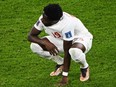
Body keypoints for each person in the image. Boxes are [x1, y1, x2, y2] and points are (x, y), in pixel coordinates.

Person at [28, 3, 93, 85]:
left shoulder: (67, 24)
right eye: (43, 15)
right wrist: (45, 42)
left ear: (54, 21)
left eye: (45, 19)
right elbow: (31, 36)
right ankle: (60, 63)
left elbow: (67, 52)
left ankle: (84, 67)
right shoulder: (45, 18)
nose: (42, 20)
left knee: (74, 52)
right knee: (35, 46)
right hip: (61, 39)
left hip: (81, 39)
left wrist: (64, 77)